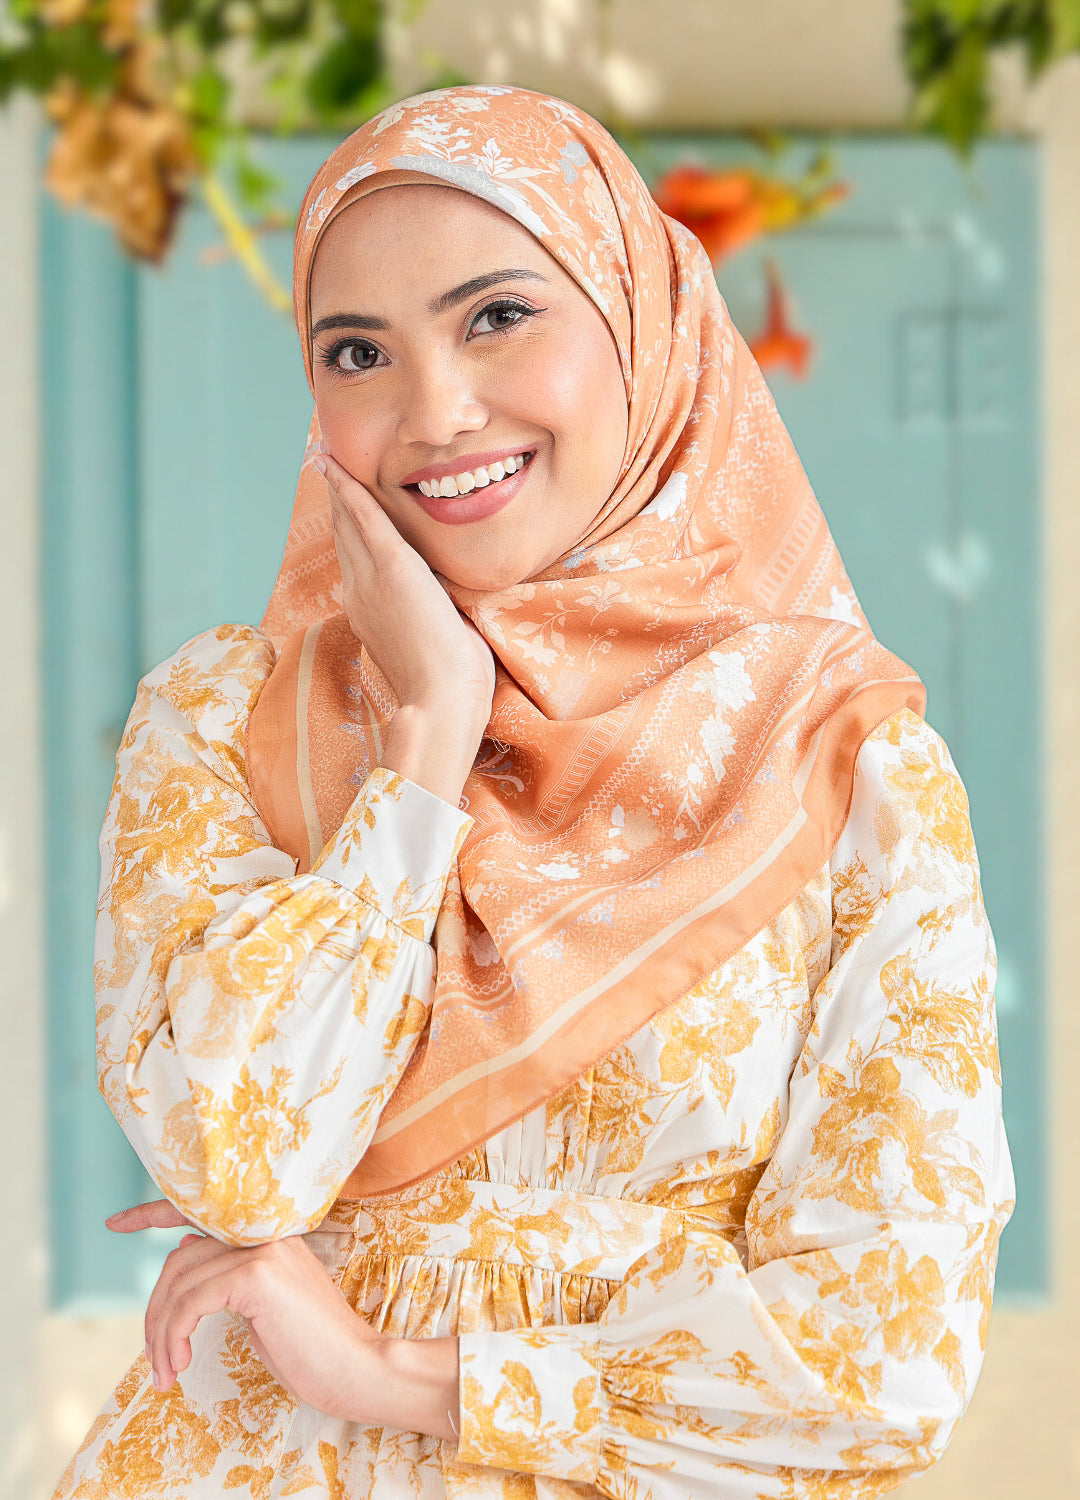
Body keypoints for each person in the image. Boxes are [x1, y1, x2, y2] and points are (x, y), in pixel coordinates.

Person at [54, 86, 1013, 1499]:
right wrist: (428, 740)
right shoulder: (222, 717)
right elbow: (241, 1163)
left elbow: (887, 1360)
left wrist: (401, 1379)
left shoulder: (843, 764)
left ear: (639, 322)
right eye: (357, 350)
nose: (435, 410)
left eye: (497, 315)